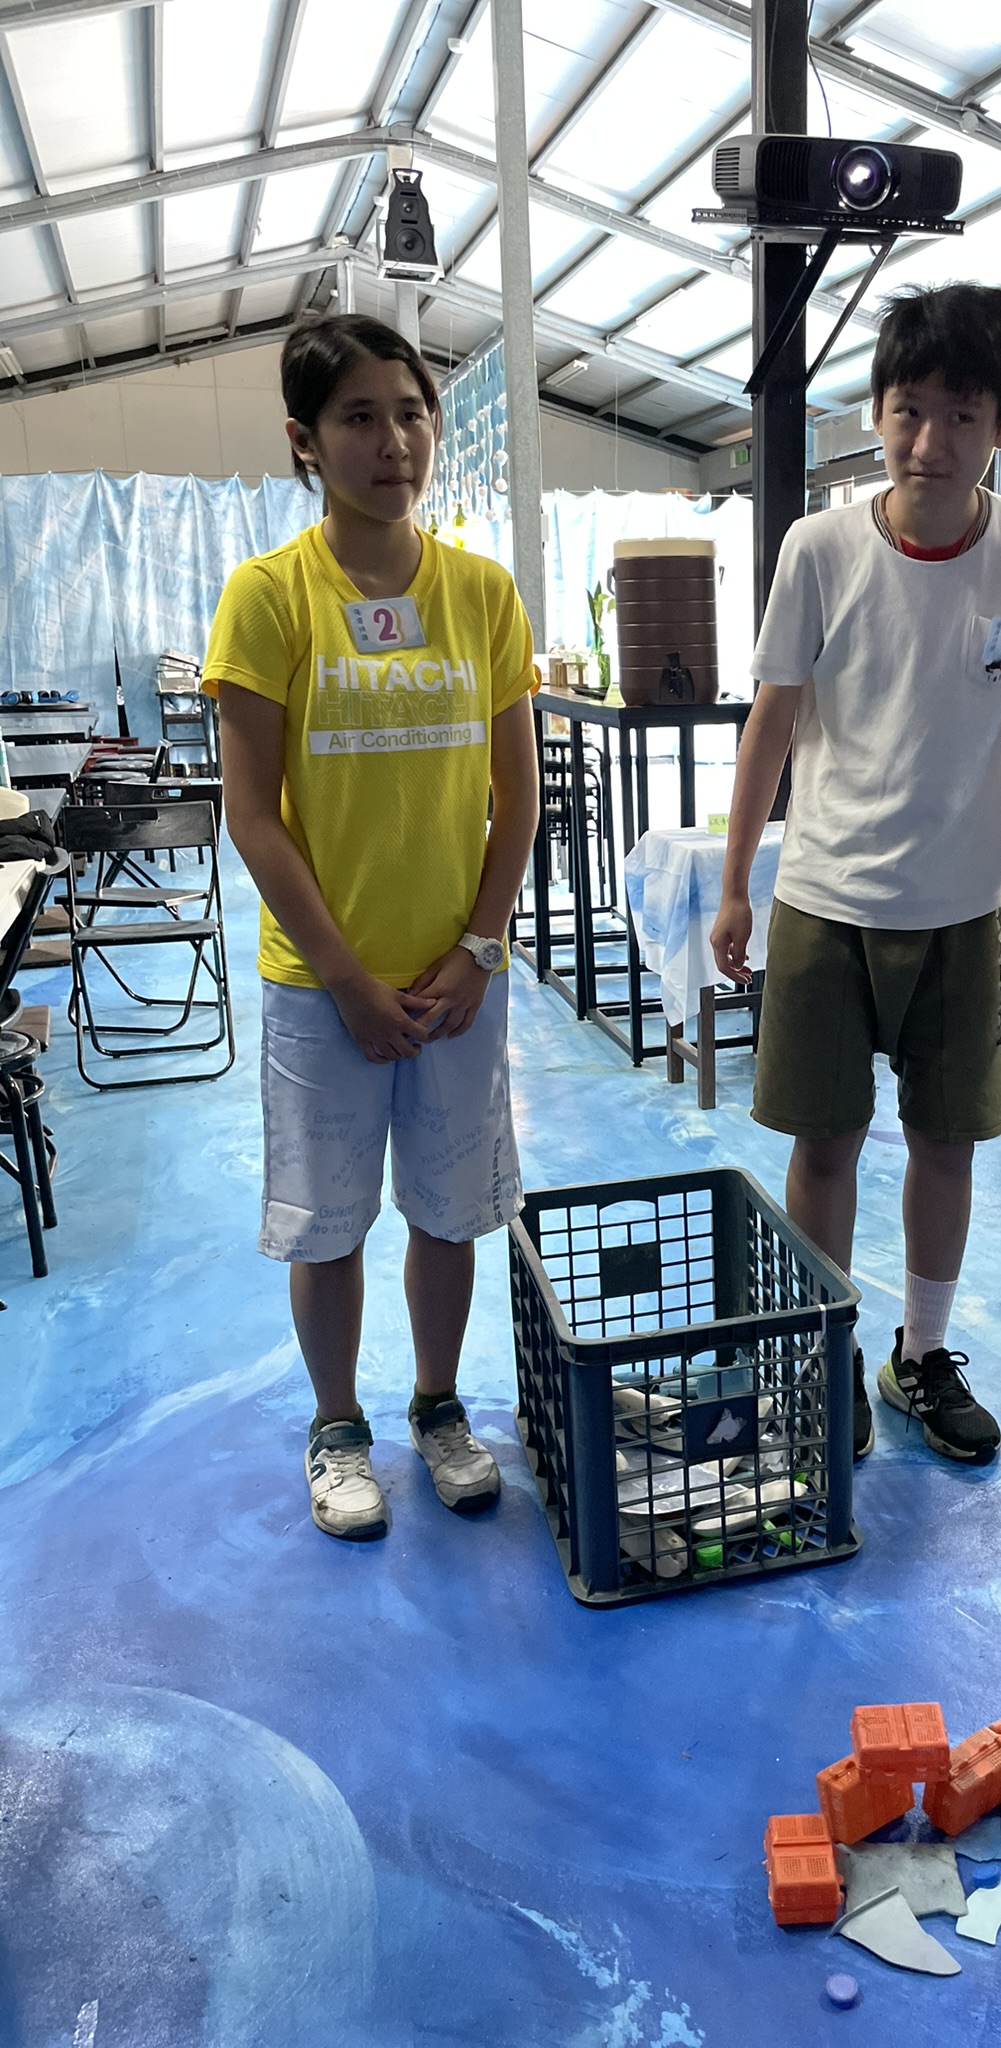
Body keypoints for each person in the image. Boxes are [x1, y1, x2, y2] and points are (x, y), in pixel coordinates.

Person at [711, 283, 1001, 1465]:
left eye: (962, 415)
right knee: (823, 1144)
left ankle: (920, 1355)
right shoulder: (820, 548)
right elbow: (771, 723)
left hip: (965, 909)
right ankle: (822, 1356)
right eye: (909, 409)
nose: (930, 441)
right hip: (827, 899)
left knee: (946, 1142)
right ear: (874, 413)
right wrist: (736, 881)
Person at [205, 314, 541, 1541]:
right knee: (330, 1220)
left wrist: (480, 947)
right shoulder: (268, 598)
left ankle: (439, 1406)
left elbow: (519, 795)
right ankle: (337, 1424)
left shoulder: (481, 593)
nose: (393, 441)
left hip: (457, 980)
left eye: (410, 413)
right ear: (305, 440)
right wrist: (346, 978)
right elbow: (251, 815)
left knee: (449, 1212)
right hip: (321, 988)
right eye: (358, 417)